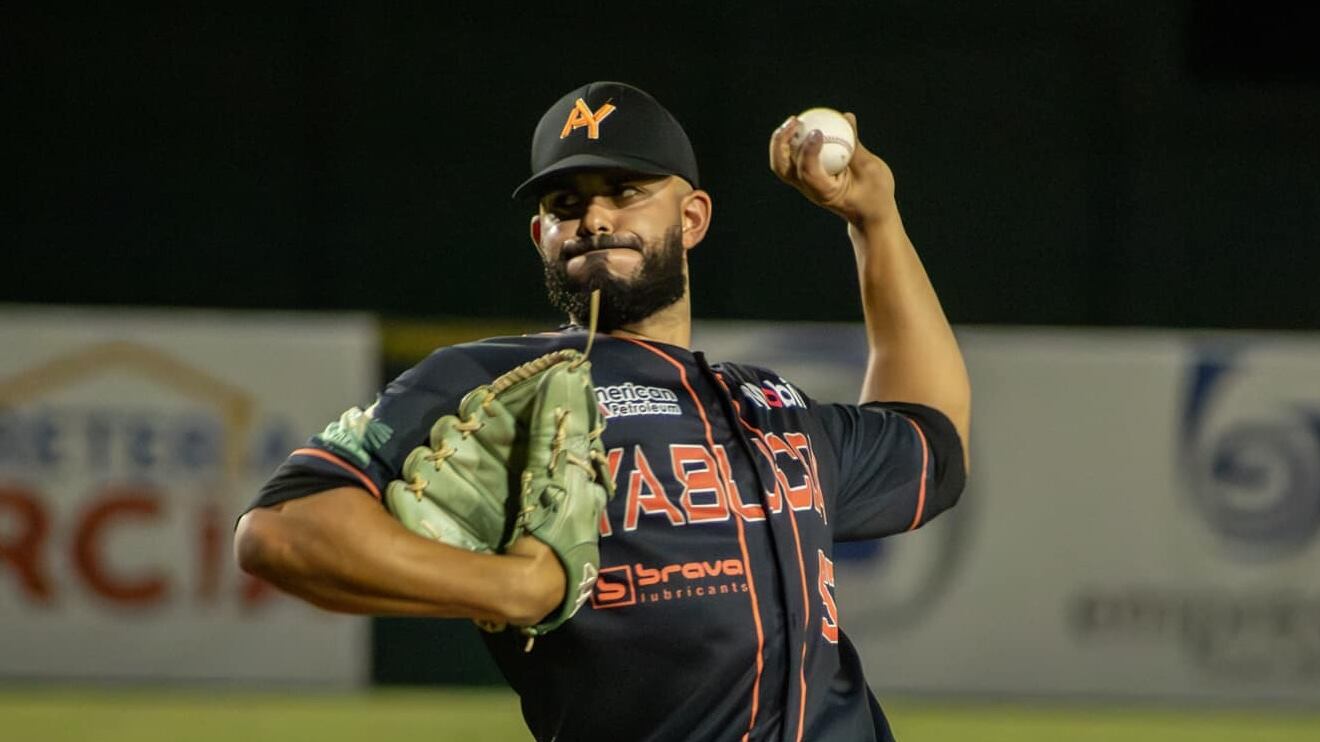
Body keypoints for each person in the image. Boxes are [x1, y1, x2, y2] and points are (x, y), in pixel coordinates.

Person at [235, 81, 970, 742]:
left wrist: (875, 221)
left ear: (692, 218)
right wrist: (512, 587)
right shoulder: (498, 383)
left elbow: (931, 445)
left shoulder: (771, 406)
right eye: (566, 205)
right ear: (540, 238)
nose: (593, 217)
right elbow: (280, 530)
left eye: (624, 191)